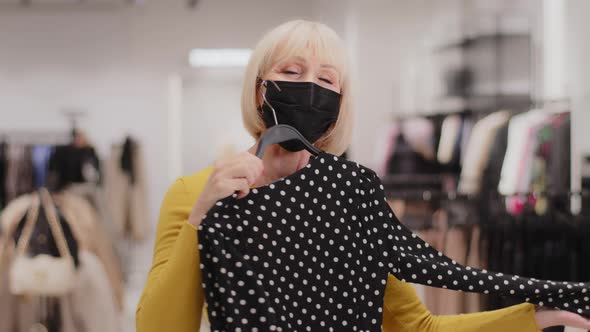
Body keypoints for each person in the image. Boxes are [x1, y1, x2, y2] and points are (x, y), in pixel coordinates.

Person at [136, 19, 590, 331]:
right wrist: (201, 216)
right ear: (261, 88)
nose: (310, 86)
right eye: (292, 71)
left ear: (340, 102)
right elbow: (158, 326)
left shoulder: (348, 194)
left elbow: (419, 323)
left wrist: (535, 315)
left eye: (327, 79)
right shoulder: (195, 193)